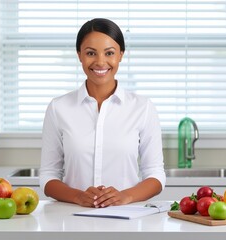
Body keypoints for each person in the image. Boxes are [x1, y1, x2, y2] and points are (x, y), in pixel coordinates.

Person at [39, 18, 166, 208]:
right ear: (79, 55)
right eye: (91, 53)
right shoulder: (58, 108)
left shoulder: (143, 108)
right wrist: (78, 196)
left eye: (109, 53)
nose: (100, 62)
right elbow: (48, 176)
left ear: (121, 55)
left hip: (127, 219)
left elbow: (155, 175)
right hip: (72, 219)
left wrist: (125, 197)